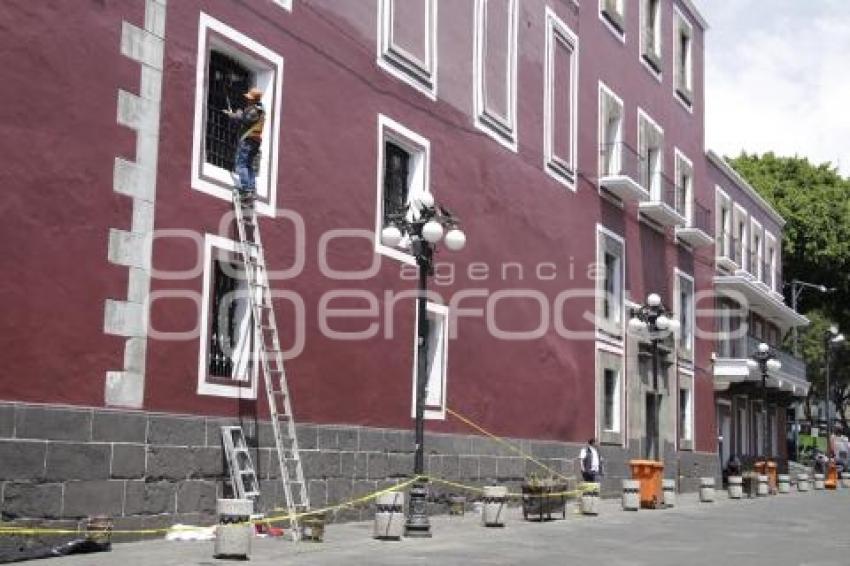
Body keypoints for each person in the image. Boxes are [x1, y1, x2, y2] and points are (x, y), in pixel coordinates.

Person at [223, 87, 265, 200]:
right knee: (248, 165)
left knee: (241, 165)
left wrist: (232, 114)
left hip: (248, 141)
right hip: (255, 142)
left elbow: (243, 118)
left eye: (249, 98)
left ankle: (246, 190)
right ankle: (251, 189)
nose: (248, 100)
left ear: (254, 99)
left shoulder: (254, 110)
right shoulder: (260, 109)